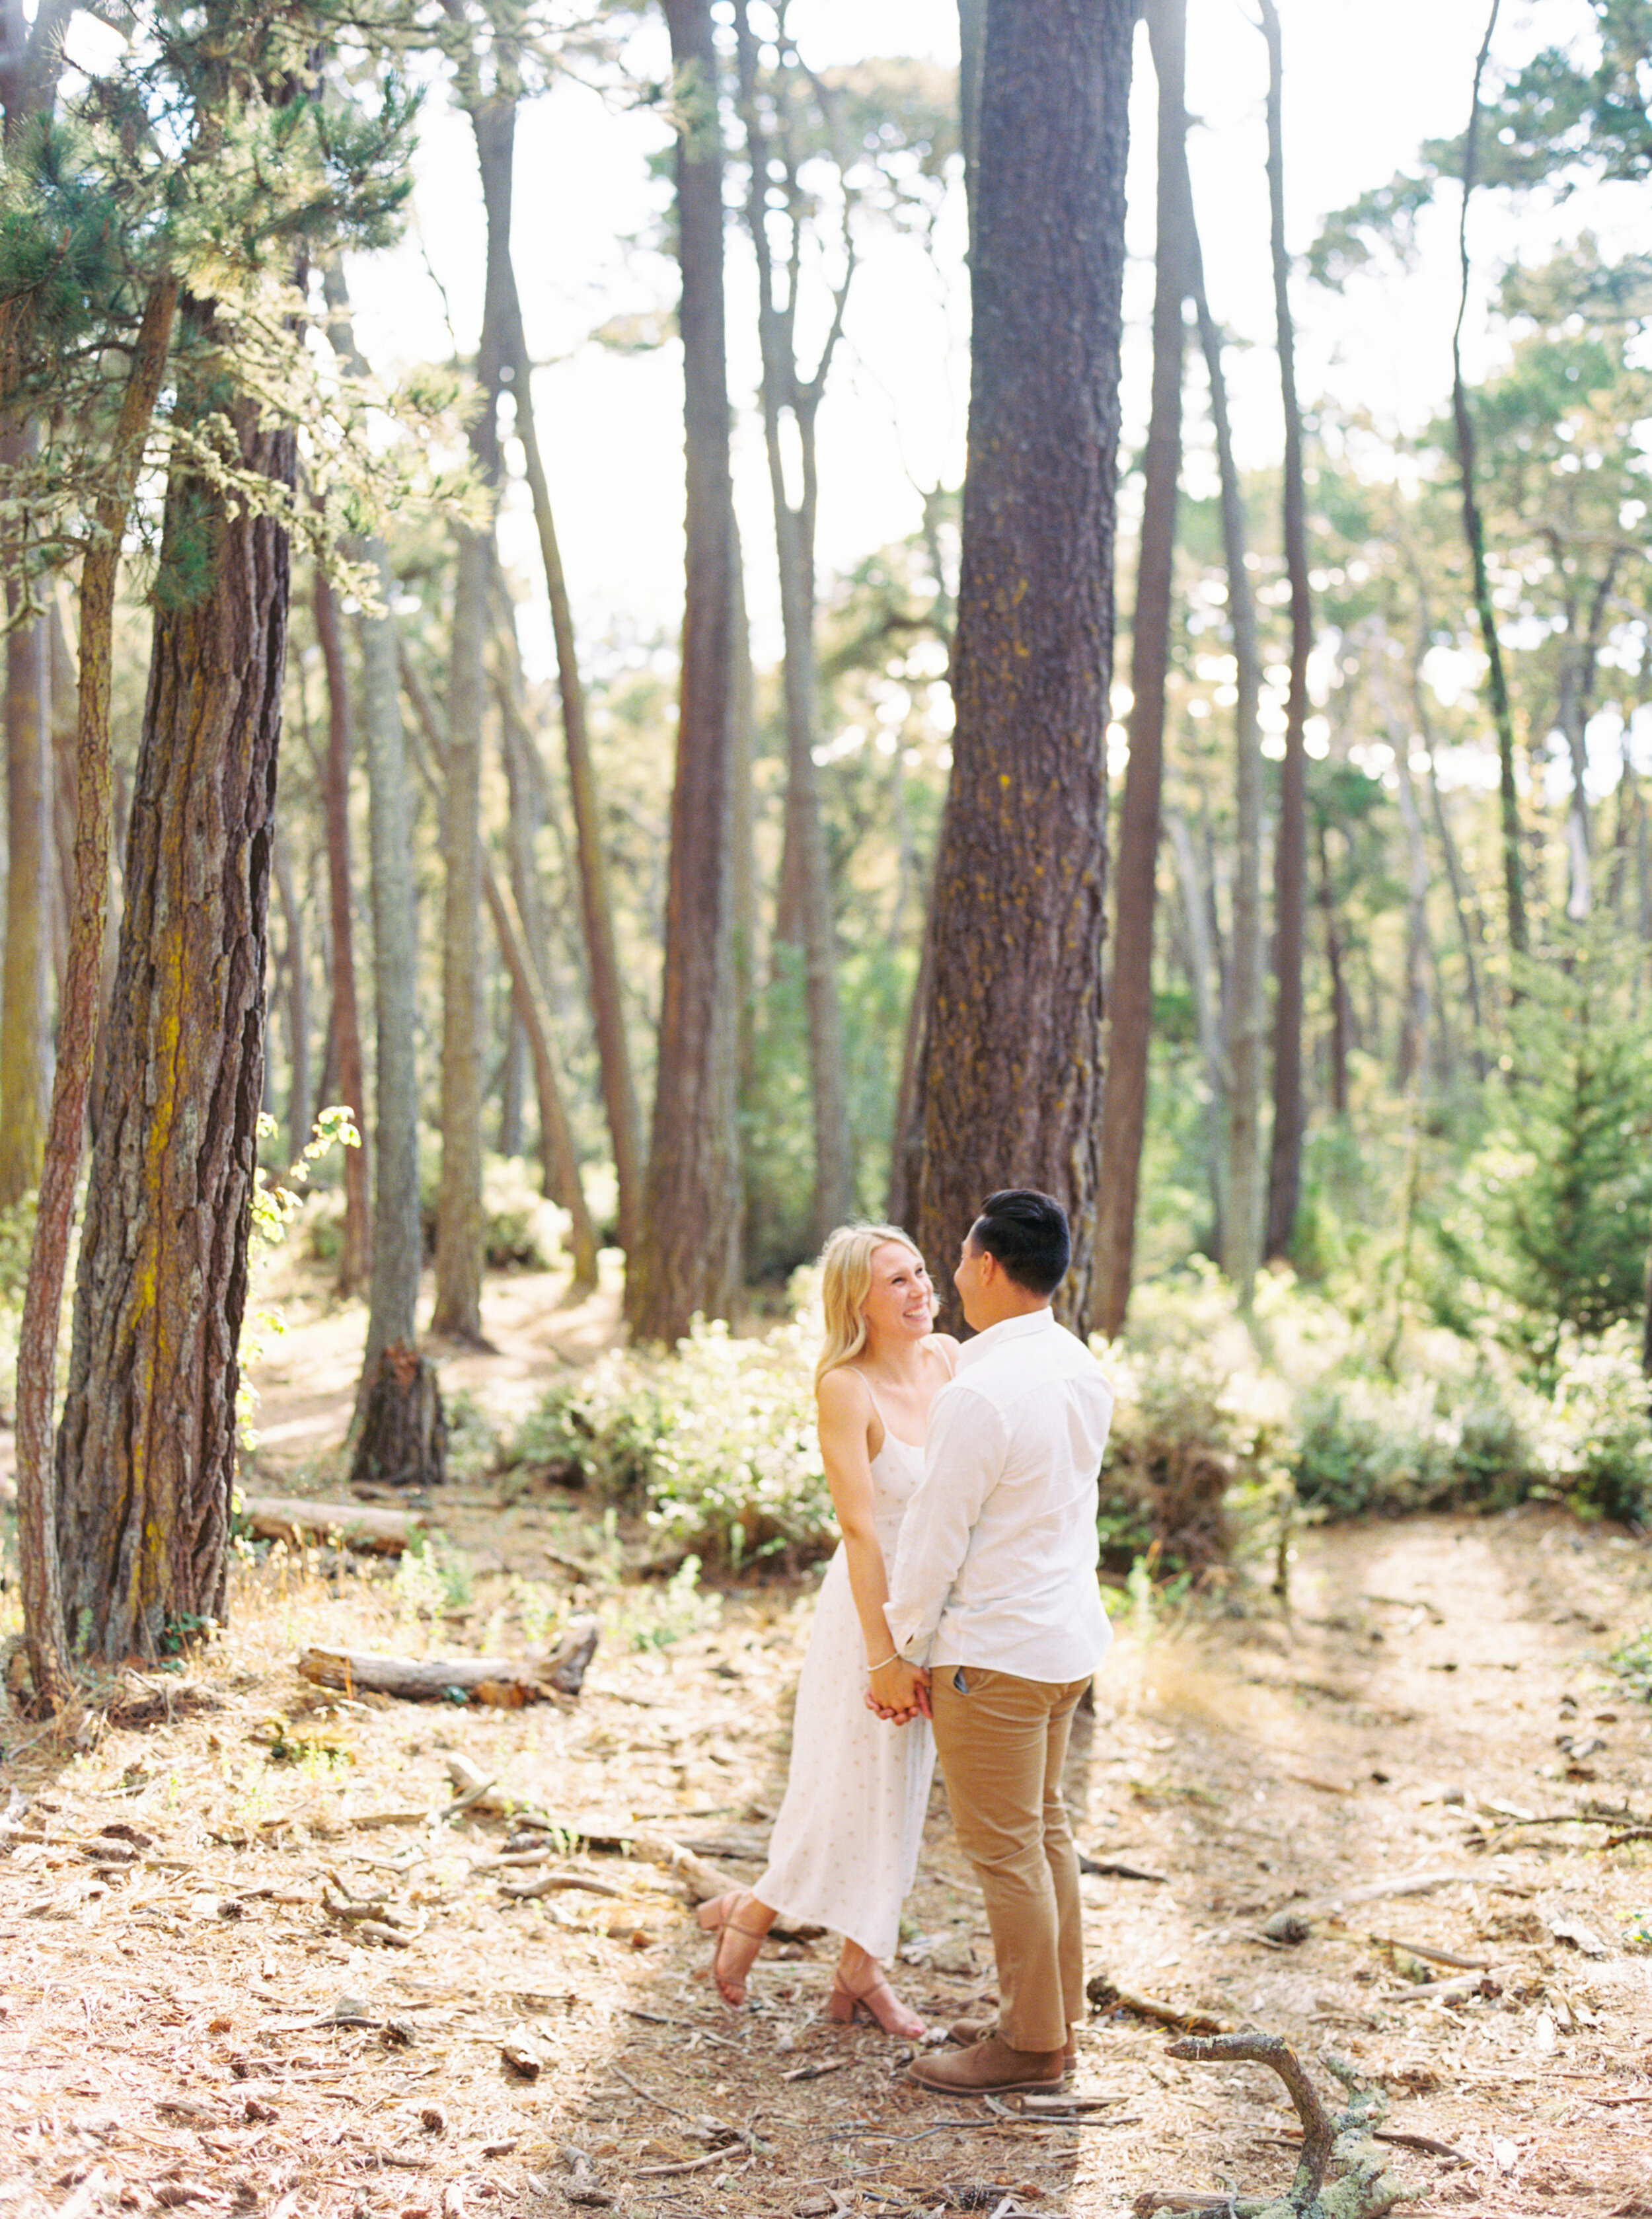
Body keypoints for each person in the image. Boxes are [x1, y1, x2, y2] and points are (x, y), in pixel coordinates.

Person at [878, 1189, 1115, 2095]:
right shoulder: (1079, 1365)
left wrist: (901, 1642)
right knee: (1044, 1829)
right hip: (1064, 1641)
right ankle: (1054, 2015)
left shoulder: (979, 1387)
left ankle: (1029, 2045)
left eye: (960, 1258)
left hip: (998, 1649)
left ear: (985, 1265)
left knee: (1008, 1847)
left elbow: (937, 1535)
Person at [696, 1223, 959, 2035]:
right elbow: (860, 1529)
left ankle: (857, 1973)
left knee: (899, 1800)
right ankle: (753, 1913)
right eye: (896, 1282)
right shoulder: (845, 1387)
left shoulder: (950, 1359)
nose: (919, 1290)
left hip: (937, 1613)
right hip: (866, 1615)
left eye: (919, 1273)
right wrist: (884, 1654)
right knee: (839, 1791)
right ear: (857, 1301)